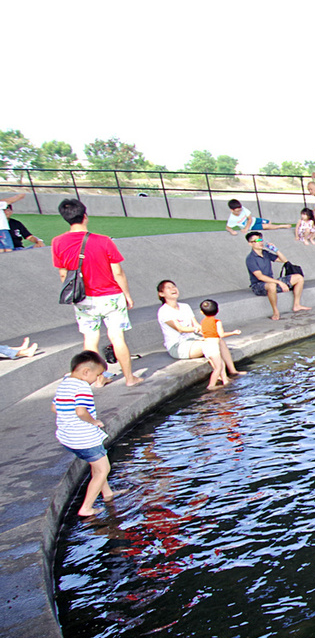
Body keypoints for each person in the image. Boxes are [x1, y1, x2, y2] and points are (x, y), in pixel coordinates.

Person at [51, 198, 143, 387]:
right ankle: (129, 378)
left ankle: (99, 379)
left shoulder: (57, 242)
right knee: (117, 337)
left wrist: (74, 295)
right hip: (110, 295)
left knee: (90, 339)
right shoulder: (103, 240)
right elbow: (117, 271)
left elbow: (63, 274)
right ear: (85, 216)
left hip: (83, 298)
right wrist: (127, 294)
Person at [53, 350, 117, 517]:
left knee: (96, 465)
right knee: (103, 469)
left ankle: (107, 494)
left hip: (68, 437)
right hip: (84, 438)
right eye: (97, 375)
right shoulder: (82, 387)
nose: (97, 379)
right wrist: (93, 421)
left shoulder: (65, 383)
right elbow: (81, 411)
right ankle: (86, 508)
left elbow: (54, 407)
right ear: (86, 372)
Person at [156, 279, 242, 379]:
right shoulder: (164, 311)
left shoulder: (185, 306)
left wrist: (210, 333)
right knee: (210, 345)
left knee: (219, 341)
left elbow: (196, 325)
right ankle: (222, 377)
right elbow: (180, 329)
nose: (173, 289)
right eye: (168, 287)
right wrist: (197, 330)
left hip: (193, 340)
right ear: (161, 294)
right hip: (178, 346)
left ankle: (233, 371)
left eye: (173, 286)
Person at [245, 231, 309, 320]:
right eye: (256, 241)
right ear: (250, 244)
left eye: (260, 239)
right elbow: (260, 277)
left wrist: (276, 250)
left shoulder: (265, 253)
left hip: (272, 282)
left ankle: (296, 305)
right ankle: (275, 312)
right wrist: (279, 282)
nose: (260, 242)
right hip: (258, 285)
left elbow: (284, 260)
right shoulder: (250, 259)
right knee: (272, 285)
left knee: (298, 277)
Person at [198, 299, 240, 389]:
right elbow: (221, 334)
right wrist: (233, 333)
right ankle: (211, 385)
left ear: (201, 312)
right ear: (217, 310)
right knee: (218, 368)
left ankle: (225, 381)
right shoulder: (216, 322)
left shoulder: (203, 321)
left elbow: (203, 332)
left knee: (221, 364)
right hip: (213, 348)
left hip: (206, 346)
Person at [226, 199, 290, 235]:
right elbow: (228, 227)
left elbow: (250, 219)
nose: (239, 212)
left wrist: (246, 229)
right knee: (266, 226)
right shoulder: (232, 219)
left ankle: (274, 226)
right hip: (252, 227)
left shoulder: (243, 208)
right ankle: (281, 226)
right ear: (232, 210)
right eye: (237, 211)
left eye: (240, 210)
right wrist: (232, 231)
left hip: (254, 220)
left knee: (269, 222)